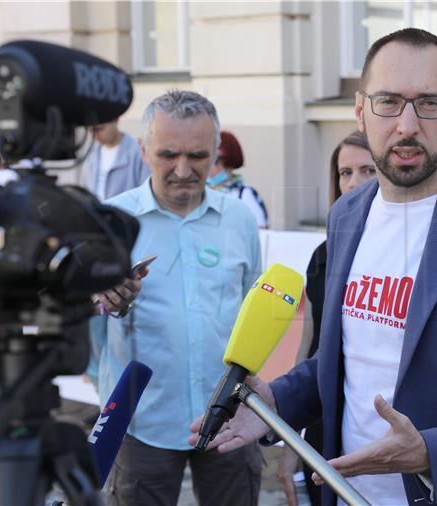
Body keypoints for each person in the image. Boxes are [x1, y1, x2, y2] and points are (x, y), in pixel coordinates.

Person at [191, 28, 437, 505]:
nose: (407, 125)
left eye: (429, 103)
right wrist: (276, 403)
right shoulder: (347, 215)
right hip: (347, 492)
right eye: (388, 101)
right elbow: (346, 357)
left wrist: (432, 451)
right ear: (360, 108)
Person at [88, 90, 262, 506]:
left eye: (198, 156)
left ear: (217, 151)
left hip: (230, 420)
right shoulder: (111, 220)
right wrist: (106, 392)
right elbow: (88, 322)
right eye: (168, 154)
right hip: (140, 423)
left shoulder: (239, 218)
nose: (183, 170)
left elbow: (254, 312)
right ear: (144, 149)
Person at [278, 130, 376, 506]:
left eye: (367, 170)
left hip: (379, 423)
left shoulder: (407, 249)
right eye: (345, 172)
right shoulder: (323, 254)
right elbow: (309, 347)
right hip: (325, 419)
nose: (354, 183)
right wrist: (290, 442)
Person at [206, 130, 269, 228]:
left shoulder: (244, 194)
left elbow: (260, 233)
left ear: (229, 161)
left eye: (216, 160)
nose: (209, 166)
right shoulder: (201, 193)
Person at [79, 118, 149, 201]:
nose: (95, 135)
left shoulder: (138, 152)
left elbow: (146, 194)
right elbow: (84, 190)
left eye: (100, 129)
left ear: (116, 120)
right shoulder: (91, 154)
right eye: (91, 130)